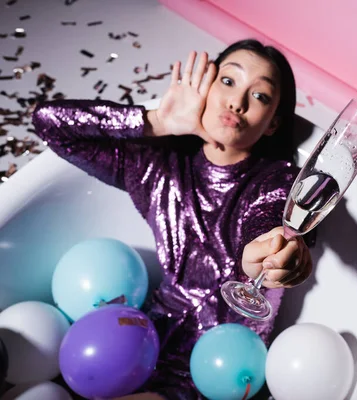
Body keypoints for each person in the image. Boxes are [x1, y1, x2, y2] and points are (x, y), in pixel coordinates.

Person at [32, 39, 314, 399]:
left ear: (273, 124)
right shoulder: (158, 169)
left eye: (259, 96)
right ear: (206, 87)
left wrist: (268, 253)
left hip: (217, 370)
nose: (236, 102)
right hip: (133, 341)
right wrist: (157, 121)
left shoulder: (279, 181)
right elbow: (48, 123)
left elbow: (270, 223)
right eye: (228, 82)